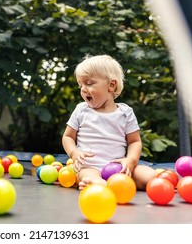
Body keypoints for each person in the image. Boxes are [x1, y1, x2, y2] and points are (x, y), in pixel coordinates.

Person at [62, 55, 157, 191]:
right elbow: (68, 137)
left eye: (88, 83)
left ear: (111, 85)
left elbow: (134, 142)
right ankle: (99, 184)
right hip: (90, 167)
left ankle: (114, 184)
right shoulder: (81, 110)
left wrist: (130, 161)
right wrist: (74, 153)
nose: (83, 89)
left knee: (151, 177)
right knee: (88, 175)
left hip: (119, 168)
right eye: (80, 85)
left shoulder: (125, 113)